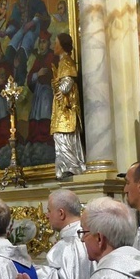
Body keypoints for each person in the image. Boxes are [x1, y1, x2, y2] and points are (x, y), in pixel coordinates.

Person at [36, 189, 93, 279]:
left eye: (49, 211)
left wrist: (27, 272)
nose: (46, 215)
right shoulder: (90, 235)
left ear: (61, 213)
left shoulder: (69, 244)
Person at [50, 33, 86, 179]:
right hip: (62, 107)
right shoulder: (61, 62)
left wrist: (62, 90)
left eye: (56, 42)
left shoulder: (66, 61)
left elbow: (68, 80)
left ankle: (72, 166)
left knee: (63, 136)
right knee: (60, 137)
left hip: (66, 108)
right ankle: (65, 166)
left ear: (62, 45)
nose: (54, 45)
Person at [26, 30, 57, 144]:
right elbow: (30, 78)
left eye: (44, 42)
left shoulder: (53, 56)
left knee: (45, 114)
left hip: (48, 93)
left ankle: (47, 140)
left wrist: (48, 75)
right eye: (40, 42)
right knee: (36, 117)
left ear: (49, 43)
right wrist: (37, 75)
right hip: (39, 94)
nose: (41, 45)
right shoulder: (38, 59)